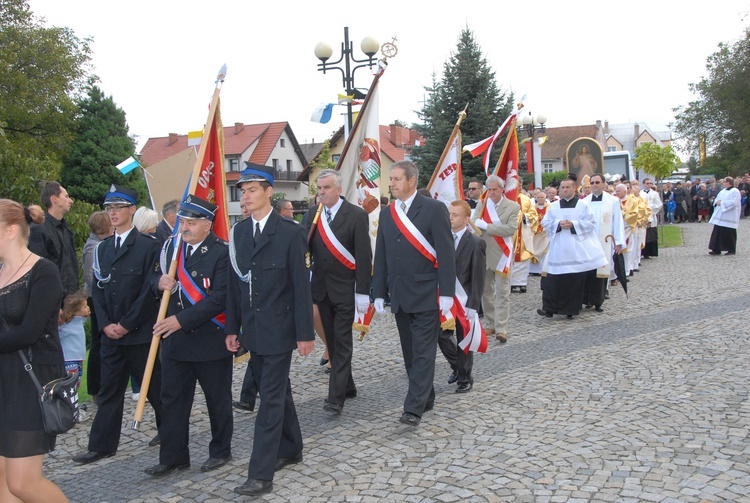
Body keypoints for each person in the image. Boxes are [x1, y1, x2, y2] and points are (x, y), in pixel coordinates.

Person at [225, 163, 314, 498]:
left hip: (279, 330)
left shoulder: (290, 233)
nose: (244, 197)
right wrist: (233, 327)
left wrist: (305, 333)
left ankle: (260, 474)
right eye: (242, 191)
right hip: (253, 331)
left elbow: (301, 288)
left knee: (270, 400)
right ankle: (292, 448)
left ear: (267, 192)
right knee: (277, 392)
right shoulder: (239, 233)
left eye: (250, 190)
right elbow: (236, 285)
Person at [72, 185, 163, 465]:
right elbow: (97, 291)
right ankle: (101, 445)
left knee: (157, 390)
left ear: (131, 210)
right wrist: (107, 326)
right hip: (111, 334)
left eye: (118, 208)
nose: (112, 213)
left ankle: (171, 439)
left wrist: (125, 324)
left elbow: (149, 292)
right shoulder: (102, 250)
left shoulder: (149, 246)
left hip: (138, 334)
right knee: (109, 391)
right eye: (109, 208)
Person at [145, 195, 234, 477]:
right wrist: (158, 283)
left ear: (207, 225)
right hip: (176, 344)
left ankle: (220, 451)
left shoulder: (221, 252)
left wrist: (180, 320)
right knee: (172, 401)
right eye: (182, 221)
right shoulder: (171, 249)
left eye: (191, 223)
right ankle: (173, 456)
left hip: (209, 340)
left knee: (217, 401)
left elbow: (219, 298)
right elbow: (149, 279)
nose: (184, 227)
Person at [372, 160, 456, 427]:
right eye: (391, 180)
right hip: (399, 293)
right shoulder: (388, 213)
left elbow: (445, 252)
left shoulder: (433, 209)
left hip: (427, 292)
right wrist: (377, 292)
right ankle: (426, 396)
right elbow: (382, 254)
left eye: (397, 179)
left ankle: (413, 408)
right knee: (410, 352)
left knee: (422, 351)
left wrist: (447, 293)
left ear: (411, 181)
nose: (392, 184)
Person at [0, 200, 68, 502]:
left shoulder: (44, 272)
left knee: (22, 483)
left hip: (31, 381)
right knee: (2, 483)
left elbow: (29, 332)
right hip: (4, 380)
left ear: (11, 230)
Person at [304, 169, 371, 415]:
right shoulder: (312, 214)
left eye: (326, 188)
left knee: (342, 342)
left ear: (339, 189)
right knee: (332, 342)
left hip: (345, 290)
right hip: (320, 290)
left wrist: (363, 291)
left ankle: (335, 398)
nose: (321, 193)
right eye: (319, 189)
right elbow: (303, 249)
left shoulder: (356, 215)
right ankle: (349, 386)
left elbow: (364, 256)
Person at [537, 178, 608, 319]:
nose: (564, 190)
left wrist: (574, 224)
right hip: (559, 248)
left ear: (574, 189)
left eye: (568, 187)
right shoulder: (555, 206)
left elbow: (591, 223)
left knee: (573, 281)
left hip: (576, 248)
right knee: (552, 279)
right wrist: (558, 223)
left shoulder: (582, 205)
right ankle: (549, 309)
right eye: (562, 187)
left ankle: (570, 310)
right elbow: (545, 222)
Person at [437, 200, 486, 393]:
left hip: (464, 299)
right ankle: (457, 366)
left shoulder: (475, 243)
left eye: (455, 215)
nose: (450, 217)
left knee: (464, 339)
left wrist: (474, 304)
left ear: (466, 219)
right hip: (444, 297)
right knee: (440, 335)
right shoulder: (440, 239)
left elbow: (478, 276)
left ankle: (465, 378)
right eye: (449, 213)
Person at [472, 175, 519, 343]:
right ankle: (491, 323)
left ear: (502, 189)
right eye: (489, 190)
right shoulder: (482, 204)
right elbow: (473, 222)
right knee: (485, 292)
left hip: (502, 255)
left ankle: (502, 328)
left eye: (495, 189)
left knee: (502, 292)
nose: (491, 193)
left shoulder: (513, 207)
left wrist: (486, 226)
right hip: (485, 254)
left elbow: (510, 229)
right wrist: (477, 225)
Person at [82, 211, 113, 403]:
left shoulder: (101, 244)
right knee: (98, 344)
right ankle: (95, 388)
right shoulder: (93, 248)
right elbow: (91, 277)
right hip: (96, 299)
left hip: (101, 298)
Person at [28, 181, 78, 300]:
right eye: (66, 196)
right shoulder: (38, 230)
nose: (70, 201)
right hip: (50, 302)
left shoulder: (66, 231)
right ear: (54, 199)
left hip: (70, 303)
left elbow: (71, 266)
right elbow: (38, 272)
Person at [581, 174, 625, 312]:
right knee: (588, 271)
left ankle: (599, 300)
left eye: (597, 182)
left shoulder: (612, 201)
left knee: (602, 269)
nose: (594, 185)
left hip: (605, 240)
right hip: (588, 241)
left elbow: (618, 221)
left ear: (603, 184)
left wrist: (618, 241)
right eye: (592, 183)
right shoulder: (584, 202)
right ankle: (587, 298)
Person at [59, 290, 90, 390]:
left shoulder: (79, 320)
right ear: (75, 310)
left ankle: (74, 401)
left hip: (78, 358)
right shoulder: (67, 325)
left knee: (77, 383)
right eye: (85, 307)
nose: (88, 308)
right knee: (70, 384)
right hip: (69, 359)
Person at [509, 192, 539, 294]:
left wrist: (523, 216)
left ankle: (521, 283)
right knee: (510, 257)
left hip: (523, 232)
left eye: (520, 184)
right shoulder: (506, 197)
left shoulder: (526, 199)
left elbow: (534, 215)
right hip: (510, 233)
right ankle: (510, 283)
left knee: (524, 255)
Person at [708, 177, 742, 255]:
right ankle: (716, 249)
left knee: (729, 233)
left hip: (729, 216)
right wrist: (716, 202)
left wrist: (722, 203)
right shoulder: (722, 191)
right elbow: (717, 199)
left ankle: (731, 250)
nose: (722, 183)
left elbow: (734, 202)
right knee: (717, 233)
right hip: (720, 216)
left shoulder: (735, 191)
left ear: (728, 182)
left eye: (724, 182)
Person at [615, 183, 639, 277]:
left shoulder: (632, 201)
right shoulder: (614, 201)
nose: (616, 193)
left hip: (627, 228)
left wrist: (622, 214)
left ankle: (627, 271)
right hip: (616, 229)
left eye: (619, 191)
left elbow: (634, 214)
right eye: (616, 191)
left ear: (625, 191)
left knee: (627, 250)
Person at [529, 191, 550, 276]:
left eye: (542, 197)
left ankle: (542, 269)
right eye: (539, 197)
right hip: (535, 232)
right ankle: (533, 270)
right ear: (536, 198)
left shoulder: (550, 207)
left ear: (545, 198)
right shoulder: (532, 207)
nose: (540, 199)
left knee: (544, 250)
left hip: (545, 232)